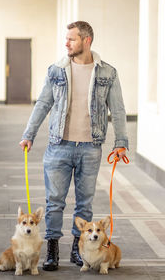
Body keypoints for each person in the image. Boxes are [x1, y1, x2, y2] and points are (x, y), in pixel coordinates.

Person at [19, 21, 128, 271]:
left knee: (84, 203)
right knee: (54, 201)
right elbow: (43, 104)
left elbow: (118, 109)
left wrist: (120, 142)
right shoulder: (56, 70)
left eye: (71, 39)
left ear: (86, 41)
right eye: (66, 39)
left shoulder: (107, 72)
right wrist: (29, 134)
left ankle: (79, 250)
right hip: (59, 146)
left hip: (91, 148)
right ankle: (53, 250)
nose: (66, 43)